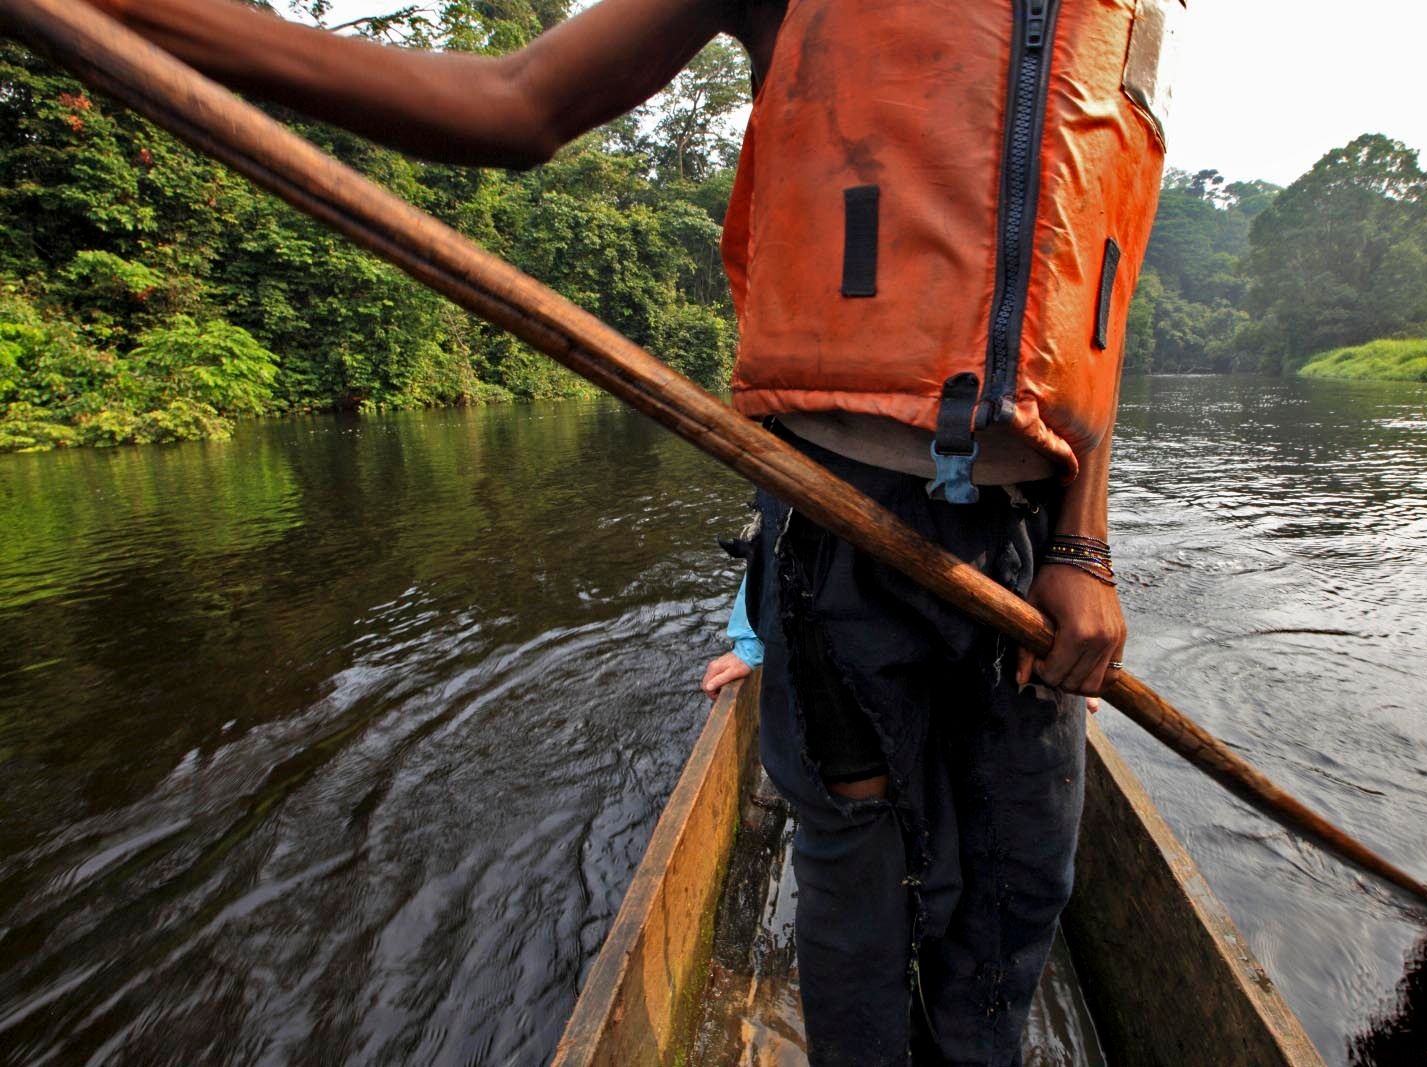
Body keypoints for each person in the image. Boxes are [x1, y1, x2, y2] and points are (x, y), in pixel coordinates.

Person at [84, 0, 1169, 1061]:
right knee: (860, 870)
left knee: (1021, 878)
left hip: (1031, 542)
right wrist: (133, 17)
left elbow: (1094, 292)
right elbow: (517, 98)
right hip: (839, 519)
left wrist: (1083, 542)